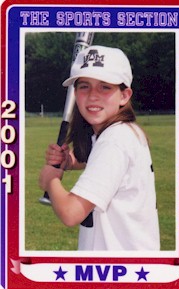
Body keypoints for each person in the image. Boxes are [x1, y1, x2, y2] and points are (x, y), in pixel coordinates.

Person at [39, 45, 160, 251]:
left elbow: (71, 213)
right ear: (75, 93)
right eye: (84, 86)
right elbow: (106, 166)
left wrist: (50, 180)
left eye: (105, 87)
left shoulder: (114, 141)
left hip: (119, 272)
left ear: (124, 95)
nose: (93, 95)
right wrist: (71, 161)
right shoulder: (122, 132)